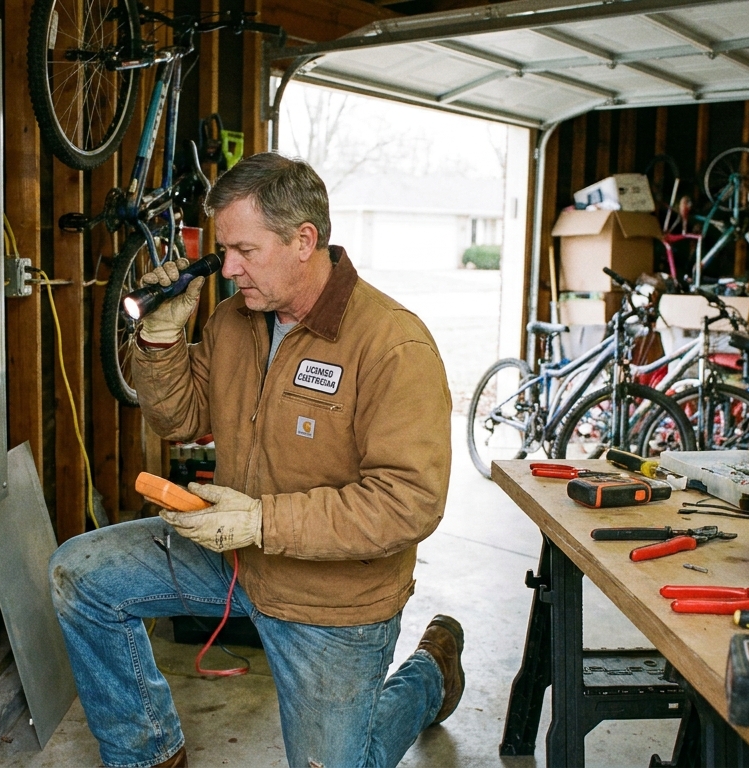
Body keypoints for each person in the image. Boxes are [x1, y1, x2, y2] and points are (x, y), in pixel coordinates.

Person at [49, 152, 461, 768]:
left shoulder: (392, 344)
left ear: (304, 240)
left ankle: (428, 675)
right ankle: (149, 753)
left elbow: (411, 502)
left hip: (332, 597)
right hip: (234, 559)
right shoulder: (235, 320)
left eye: (245, 250)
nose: (230, 269)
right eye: (225, 251)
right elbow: (183, 419)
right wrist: (161, 339)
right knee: (80, 575)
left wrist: (263, 521)